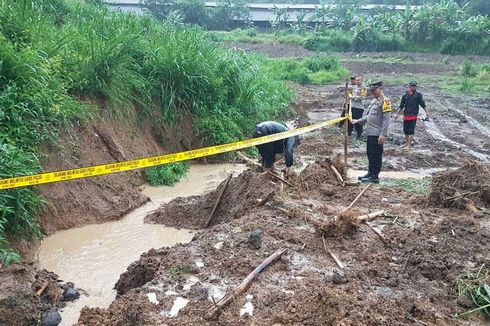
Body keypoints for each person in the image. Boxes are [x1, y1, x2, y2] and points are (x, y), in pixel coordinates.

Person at [352, 81, 392, 183]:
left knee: (376, 155)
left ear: (381, 89)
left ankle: (374, 176)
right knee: (370, 154)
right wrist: (358, 121)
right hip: (370, 133)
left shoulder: (385, 101)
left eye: (375, 90)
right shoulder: (374, 100)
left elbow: (386, 120)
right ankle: (370, 173)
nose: (373, 92)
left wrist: (383, 134)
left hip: (377, 134)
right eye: (372, 90)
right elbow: (369, 116)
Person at [395, 81, 428, 150]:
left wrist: (426, 112)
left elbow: (422, 104)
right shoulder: (405, 96)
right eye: (412, 86)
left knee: (411, 130)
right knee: (405, 130)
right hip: (406, 115)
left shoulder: (418, 95)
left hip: (413, 115)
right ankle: (406, 143)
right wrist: (397, 114)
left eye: (414, 86)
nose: (413, 87)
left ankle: (409, 145)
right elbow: (401, 106)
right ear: (409, 86)